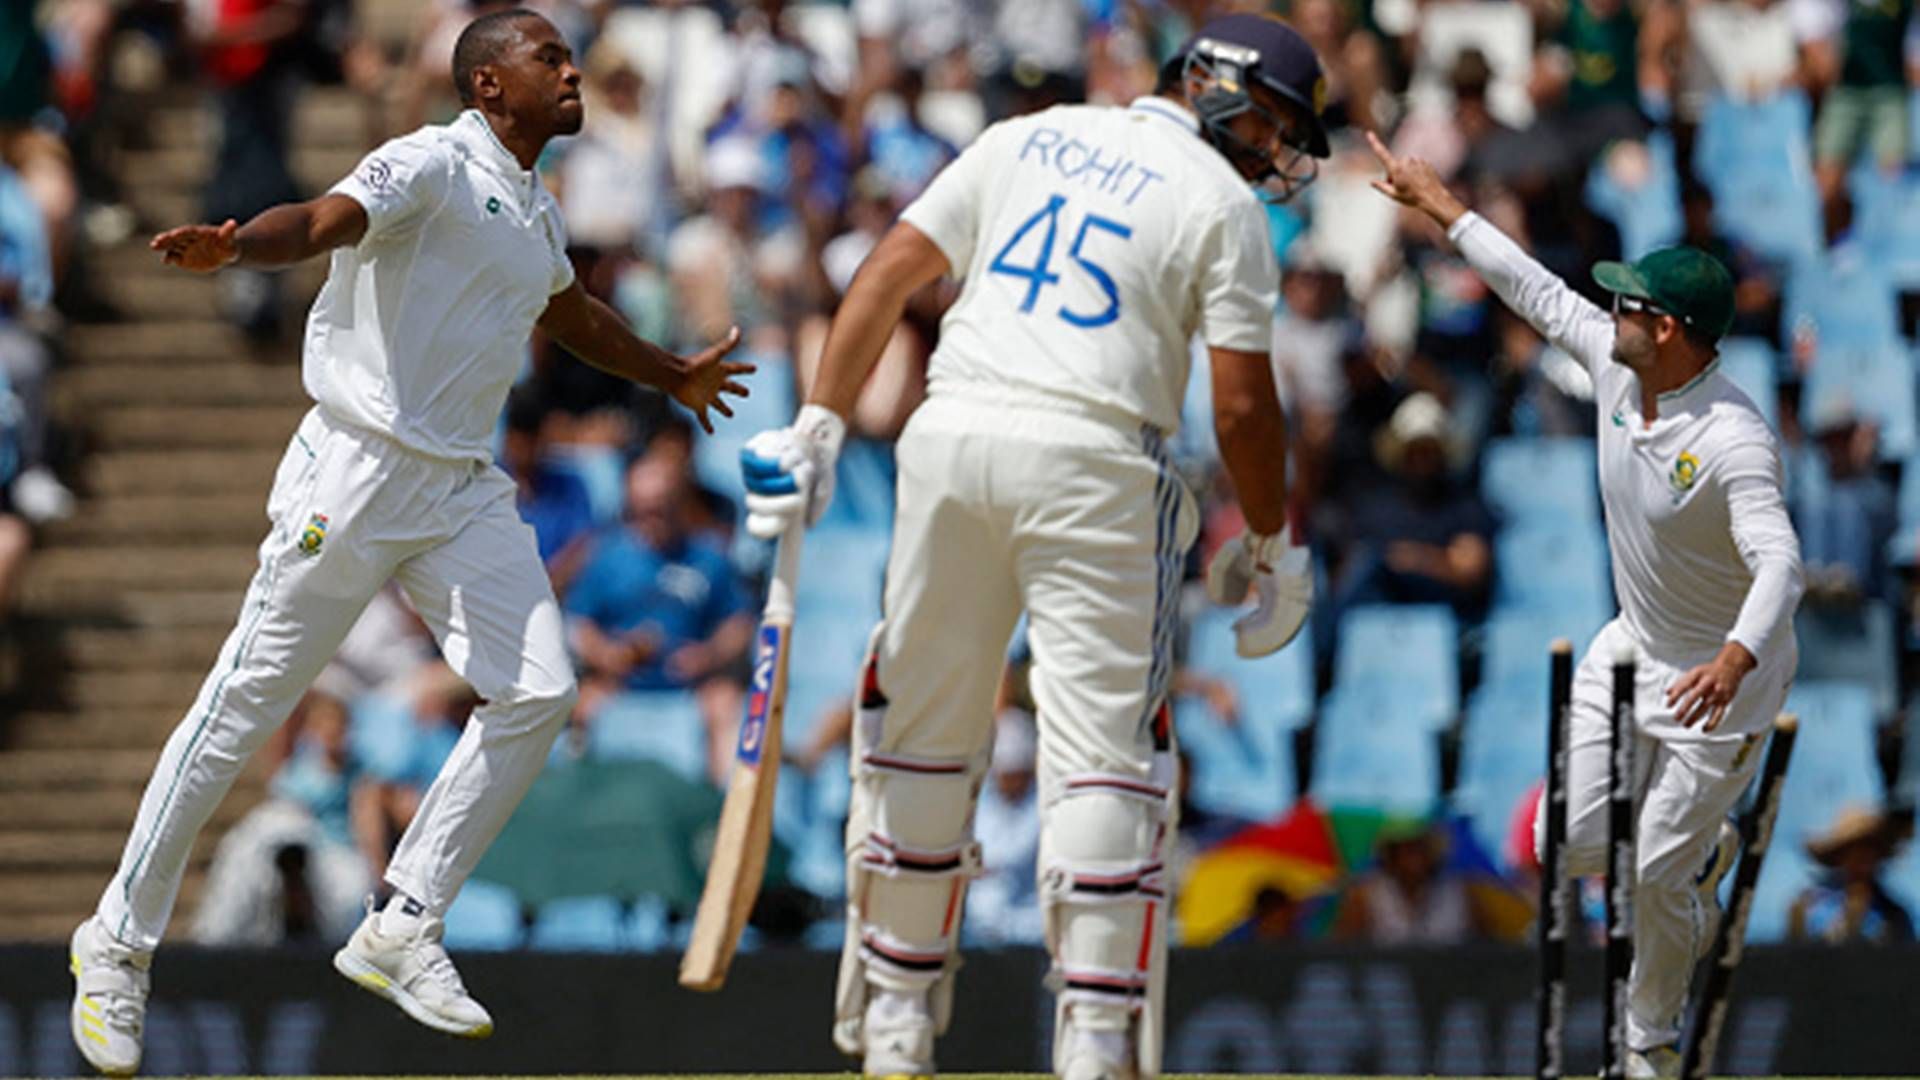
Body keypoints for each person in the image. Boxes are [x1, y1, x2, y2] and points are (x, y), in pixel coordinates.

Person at [67, 10, 753, 1075]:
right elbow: (324, 218)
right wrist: (241, 242)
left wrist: (672, 375)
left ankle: (402, 921)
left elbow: (569, 316)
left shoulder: (534, 209)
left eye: (572, 59)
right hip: (354, 467)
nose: (572, 73)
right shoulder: (428, 163)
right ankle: (114, 946)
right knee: (241, 710)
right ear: (488, 85)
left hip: (458, 485)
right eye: (549, 60)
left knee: (538, 690)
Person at [737, 14, 1324, 1080]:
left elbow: (887, 271)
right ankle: (1096, 1044)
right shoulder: (1221, 203)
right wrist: (1274, 541)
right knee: (1107, 756)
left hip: (951, 437)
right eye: (1279, 122)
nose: (1280, 151)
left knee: (919, 728)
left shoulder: (1029, 135)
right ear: (1223, 92)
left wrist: (819, 422)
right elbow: (1242, 406)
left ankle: (899, 1023)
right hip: (1098, 458)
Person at [1368, 132, 1804, 1078]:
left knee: (1652, 871)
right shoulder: (1617, 369)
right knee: (1561, 846)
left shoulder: (1733, 439)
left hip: (1722, 683)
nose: (1610, 309)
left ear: (1674, 328)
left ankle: (1645, 1047)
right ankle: (1705, 848)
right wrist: (1441, 204)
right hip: (1633, 644)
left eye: (1630, 303)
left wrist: (1733, 659)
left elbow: (1782, 566)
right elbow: (1530, 286)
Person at [1788, 805, 1915, 943]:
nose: (1864, 856)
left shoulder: (1895, 915)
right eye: (1856, 849)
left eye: (1871, 848)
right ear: (1840, 855)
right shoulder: (1810, 905)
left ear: (1880, 855)